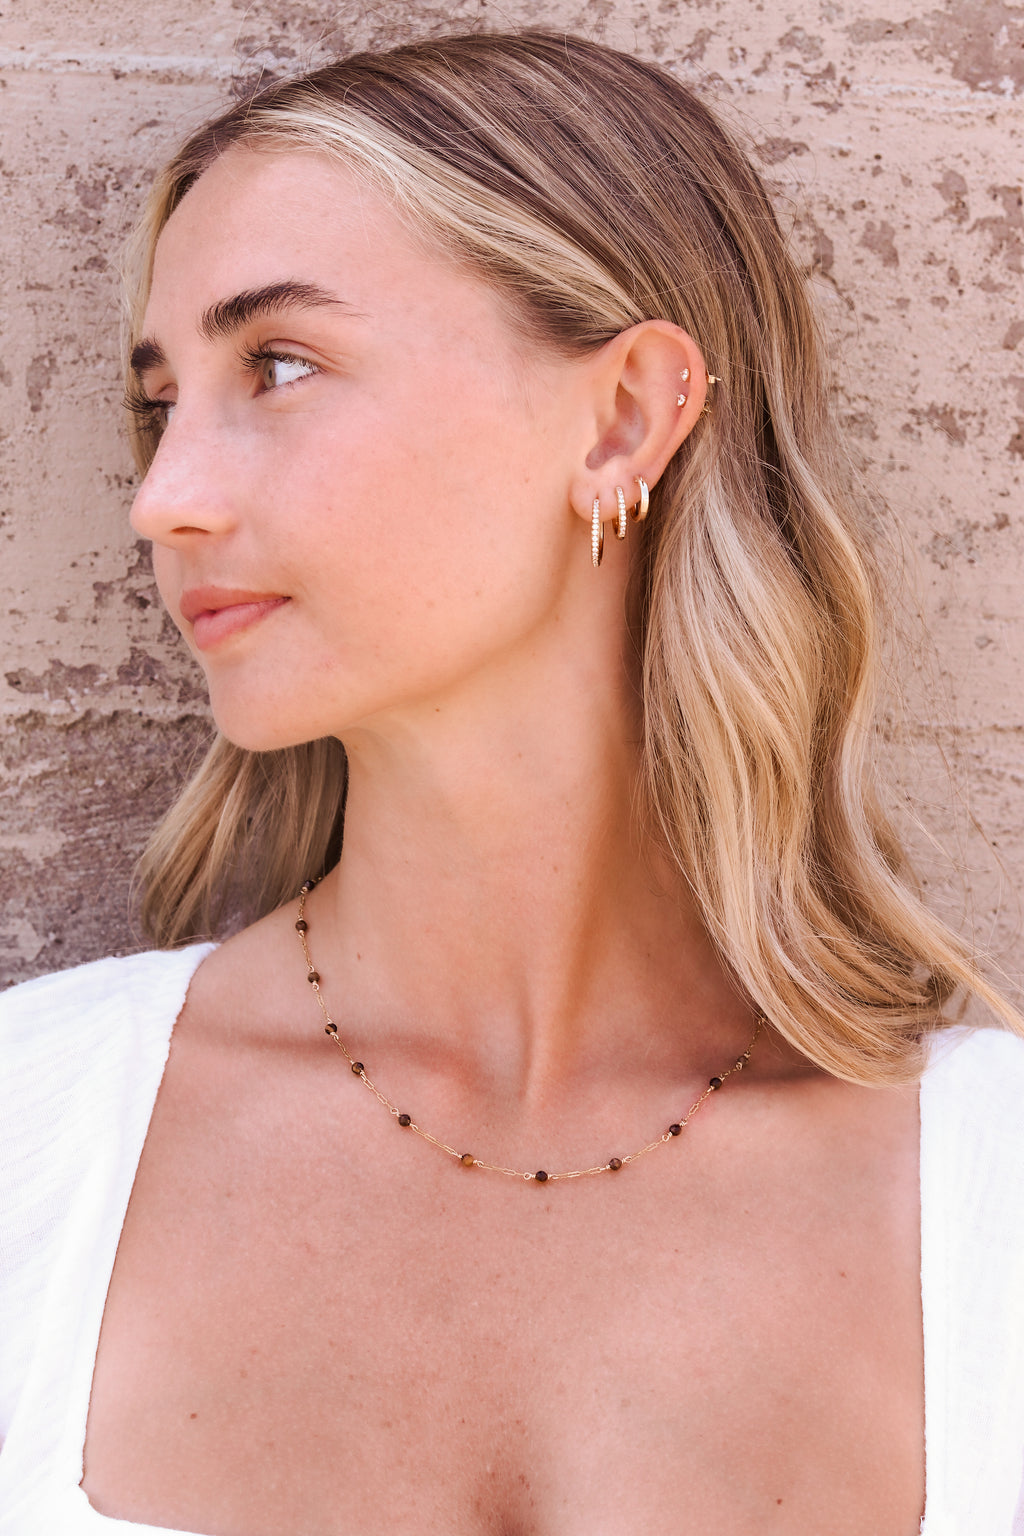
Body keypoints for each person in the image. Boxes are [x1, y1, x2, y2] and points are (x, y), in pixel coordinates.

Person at [1, 28, 1022, 1536]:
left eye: (278, 365)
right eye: (164, 402)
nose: (164, 500)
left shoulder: (994, 1196)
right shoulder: (32, 1139)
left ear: (621, 419)